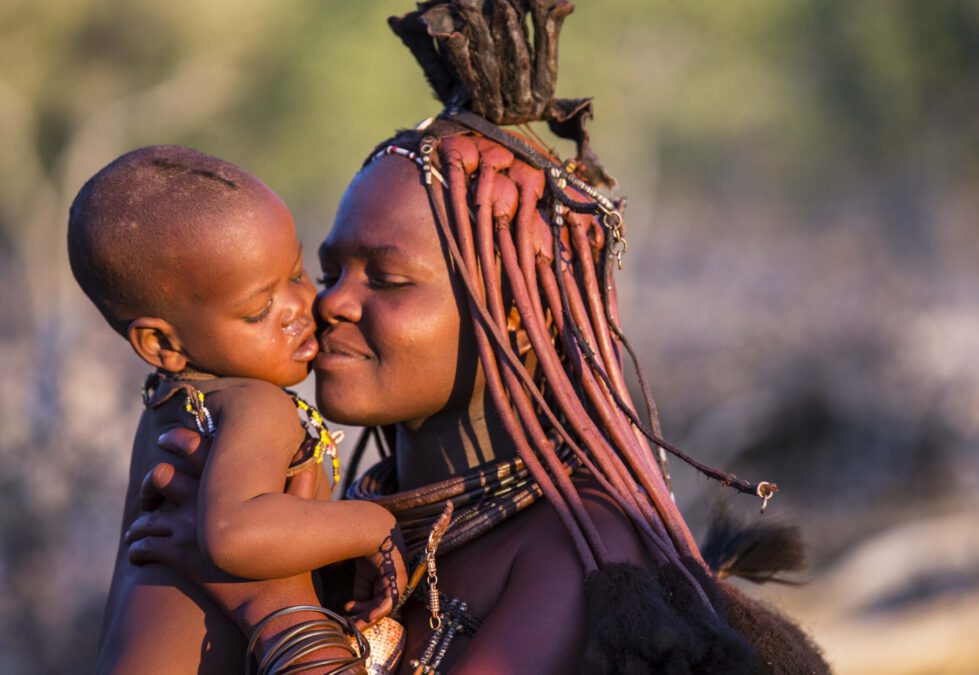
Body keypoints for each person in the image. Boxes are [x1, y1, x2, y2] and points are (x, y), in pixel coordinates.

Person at [125, 2, 831, 672]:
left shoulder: (580, 553)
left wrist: (267, 600)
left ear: (519, 318)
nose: (333, 302)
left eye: (388, 279)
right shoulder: (322, 517)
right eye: (331, 268)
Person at [71, 146, 405, 674]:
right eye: (258, 310)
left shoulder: (168, 404)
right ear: (161, 344)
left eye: (297, 274)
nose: (299, 310)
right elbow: (234, 536)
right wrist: (375, 526)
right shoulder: (254, 404)